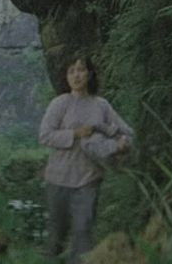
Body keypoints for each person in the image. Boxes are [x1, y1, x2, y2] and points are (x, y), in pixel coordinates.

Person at [37, 54, 134, 263]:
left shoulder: (101, 105)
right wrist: (75, 134)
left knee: (83, 233)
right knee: (56, 236)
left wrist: (122, 144)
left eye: (80, 70)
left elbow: (124, 131)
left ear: (89, 74)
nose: (76, 75)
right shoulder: (60, 103)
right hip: (58, 178)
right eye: (71, 71)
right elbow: (44, 135)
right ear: (66, 77)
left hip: (89, 179)